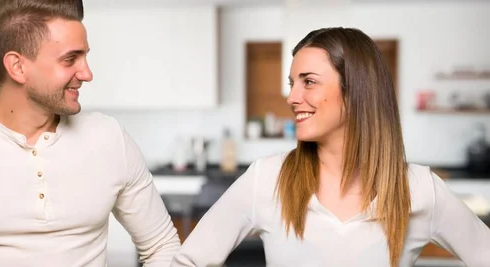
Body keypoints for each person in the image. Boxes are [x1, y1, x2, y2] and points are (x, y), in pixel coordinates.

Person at [0, 0, 180, 266]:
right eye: (70, 59)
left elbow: (162, 246)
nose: (87, 73)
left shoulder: (110, 139)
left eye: (85, 57)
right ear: (17, 66)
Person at [171, 27, 490, 267]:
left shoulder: (419, 189)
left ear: (357, 91)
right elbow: (188, 261)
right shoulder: (266, 179)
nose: (292, 97)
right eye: (291, 83)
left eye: (308, 81)